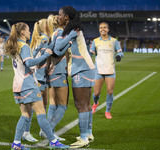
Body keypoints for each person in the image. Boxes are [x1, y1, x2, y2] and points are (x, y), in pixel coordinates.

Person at [4, 22, 69, 150]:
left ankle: (16, 144)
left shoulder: (16, 45)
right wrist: (45, 55)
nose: (30, 32)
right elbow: (29, 62)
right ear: (22, 32)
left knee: (25, 115)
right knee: (40, 112)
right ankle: (53, 141)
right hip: (28, 84)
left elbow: (26, 61)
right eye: (28, 30)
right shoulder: (24, 46)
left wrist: (42, 49)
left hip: (18, 85)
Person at [54, 6, 95, 148]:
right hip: (87, 68)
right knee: (87, 104)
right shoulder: (73, 29)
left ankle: (83, 138)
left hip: (81, 69)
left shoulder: (72, 31)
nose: (57, 17)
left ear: (66, 17)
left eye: (59, 15)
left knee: (80, 104)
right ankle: (88, 133)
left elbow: (57, 48)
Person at [90, 22, 124, 119]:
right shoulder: (95, 41)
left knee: (110, 91)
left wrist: (119, 56)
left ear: (108, 29)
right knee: (96, 93)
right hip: (98, 71)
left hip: (110, 70)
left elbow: (120, 52)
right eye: (101, 28)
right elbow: (90, 53)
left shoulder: (114, 41)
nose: (102, 29)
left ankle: (107, 111)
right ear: (99, 30)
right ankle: (95, 103)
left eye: (104, 28)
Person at [45, 14, 69, 141]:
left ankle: (50, 131)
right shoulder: (60, 33)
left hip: (50, 72)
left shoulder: (53, 33)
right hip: (58, 72)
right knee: (63, 106)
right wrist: (69, 42)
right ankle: (48, 130)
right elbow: (56, 52)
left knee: (53, 103)